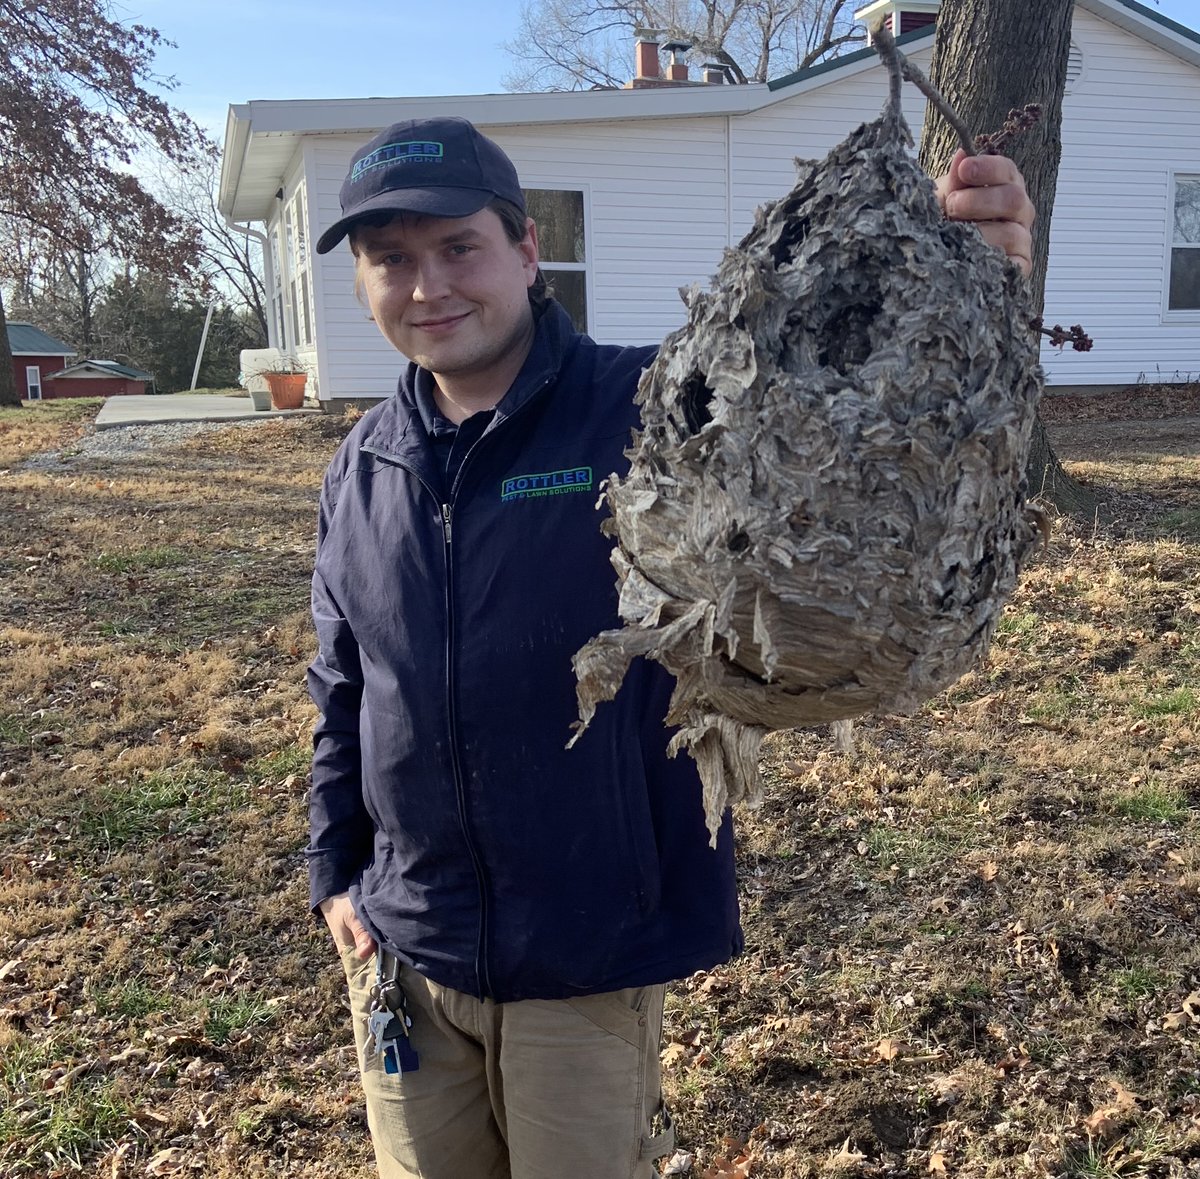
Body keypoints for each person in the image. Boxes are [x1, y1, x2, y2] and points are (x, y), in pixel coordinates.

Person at [307, 115, 1035, 1179]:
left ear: (524, 248)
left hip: (584, 951)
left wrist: (964, 269)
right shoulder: (362, 468)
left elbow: (838, 405)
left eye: (457, 247)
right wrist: (336, 870)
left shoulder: (657, 407)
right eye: (391, 261)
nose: (427, 287)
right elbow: (342, 687)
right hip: (405, 948)